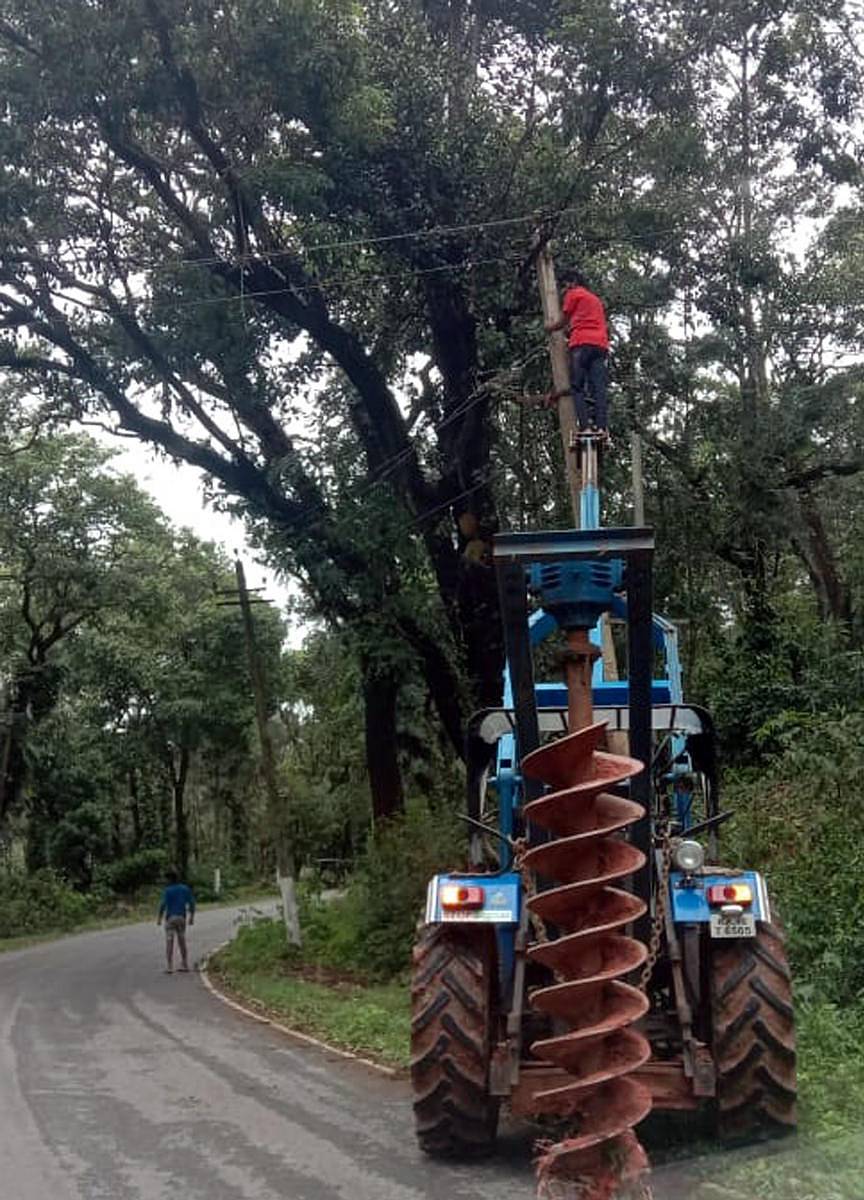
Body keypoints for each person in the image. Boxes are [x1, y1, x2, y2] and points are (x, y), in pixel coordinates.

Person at [545, 270, 610, 436]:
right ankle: (601, 427)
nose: (563, 290)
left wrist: (550, 327)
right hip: (600, 346)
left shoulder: (574, 294)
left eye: (565, 286)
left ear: (572, 282)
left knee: (577, 387)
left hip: (582, 344)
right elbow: (584, 321)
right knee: (598, 388)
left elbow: (563, 321)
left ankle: (585, 427)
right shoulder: (594, 300)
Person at [157, 869, 196, 974]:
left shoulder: (168, 890)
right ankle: (185, 964)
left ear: (170, 879)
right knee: (182, 941)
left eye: (166, 879)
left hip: (170, 918)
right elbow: (192, 903)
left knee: (169, 941)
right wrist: (192, 916)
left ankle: (170, 966)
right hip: (181, 918)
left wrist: (159, 918)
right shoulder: (185, 889)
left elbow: (163, 904)